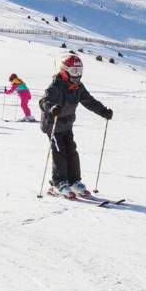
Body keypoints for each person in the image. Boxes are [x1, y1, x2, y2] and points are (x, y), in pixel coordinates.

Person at [39, 54, 113, 198]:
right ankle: (59, 183)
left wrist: (103, 111)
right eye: (74, 71)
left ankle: (74, 181)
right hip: (52, 124)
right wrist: (52, 108)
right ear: (64, 71)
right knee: (59, 152)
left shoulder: (78, 86)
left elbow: (89, 101)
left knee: (72, 151)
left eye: (79, 71)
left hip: (66, 124)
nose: (77, 75)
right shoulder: (55, 86)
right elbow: (43, 101)